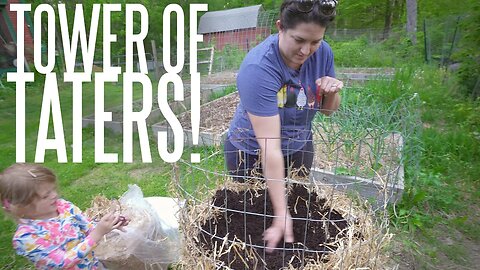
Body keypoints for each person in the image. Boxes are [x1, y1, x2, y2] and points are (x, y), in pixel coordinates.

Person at [224, 0, 343, 253]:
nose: (306, 50)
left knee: (298, 204)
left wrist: (331, 91)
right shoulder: (259, 68)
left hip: (299, 143)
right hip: (251, 152)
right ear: (280, 27)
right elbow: (270, 147)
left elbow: (328, 111)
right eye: (299, 40)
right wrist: (281, 214)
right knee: (250, 219)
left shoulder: (324, 53)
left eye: (315, 42)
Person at [0, 163, 129, 269]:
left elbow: (88, 228)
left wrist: (110, 225)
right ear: (22, 206)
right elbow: (62, 262)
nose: (54, 195)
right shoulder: (26, 238)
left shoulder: (63, 207)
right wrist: (98, 233)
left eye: (53, 189)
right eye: (46, 195)